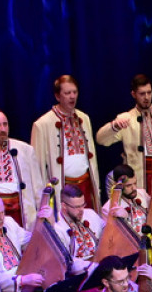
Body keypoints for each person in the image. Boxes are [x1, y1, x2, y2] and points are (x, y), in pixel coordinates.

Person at [31, 75, 100, 208]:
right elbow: (37, 167)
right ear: (57, 96)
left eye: (75, 92)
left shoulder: (84, 118)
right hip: (63, 189)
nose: (72, 96)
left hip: (86, 184)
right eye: (67, 93)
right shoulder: (42, 124)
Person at [53, 183, 105, 275]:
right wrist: (95, 267)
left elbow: (107, 232)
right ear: (64, 206)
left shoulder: (90, 213)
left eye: (83, 205)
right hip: (79, 276)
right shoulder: (57, 227)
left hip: (102, 265)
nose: (81, 210)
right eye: (77, 207)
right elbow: (66, 261)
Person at [101, 164, 152, 232]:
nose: (134, 188)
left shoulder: (142, 193)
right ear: (118, 186)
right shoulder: (107, 208)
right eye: (128, 185)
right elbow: (111, 237)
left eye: (135, 183)